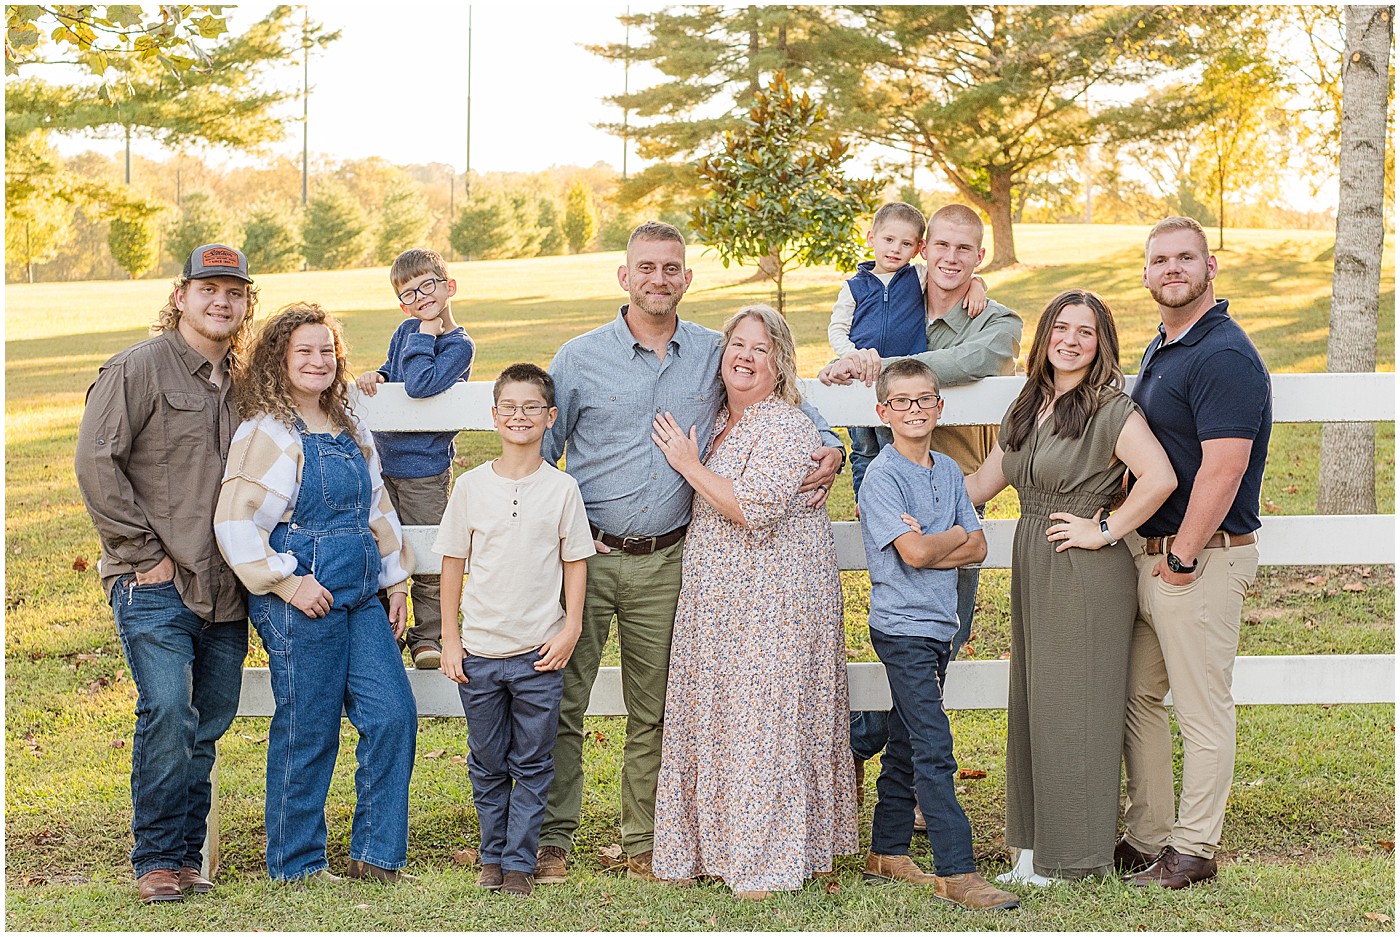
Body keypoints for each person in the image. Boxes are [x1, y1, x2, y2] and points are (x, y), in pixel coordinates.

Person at [535, 221, 844, 885]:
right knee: (564, 701)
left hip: (670, 559)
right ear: (624, 275)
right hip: (588, 555)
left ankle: (646, 838)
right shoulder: (579, 356)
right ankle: (550, 838)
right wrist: (555, 537)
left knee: (656, 708)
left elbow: (791, 398)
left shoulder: (713, 350)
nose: (658, 278)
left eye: (671, 267)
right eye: (645, 266)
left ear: (686, 277)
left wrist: (834, 447)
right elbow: (539, 452)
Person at [962, 290, 1176, 883]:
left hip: (1085, 571)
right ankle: (1033, 851)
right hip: (1035, 563)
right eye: (1063, 327)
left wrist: (1103, 528)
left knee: (1074, 708)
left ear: (1101, 343)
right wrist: (909, 489)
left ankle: (1075, 857)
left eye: (1086, 331)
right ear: (1046, 336)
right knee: (1033, 702)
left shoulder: (1111, 410)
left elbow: (1159, 477)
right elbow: (981, 484)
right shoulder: (1028, 405)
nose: (1072, 340)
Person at [649, 306, 858, 899]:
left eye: (760, 349)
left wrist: (687, 466)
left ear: (780, 363)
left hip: (774, 600)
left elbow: (754, 510)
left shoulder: (785, 426)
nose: (744, 356)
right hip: (720, 601)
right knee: (722, 721)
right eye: (737, 344)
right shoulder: (720, 420)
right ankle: (715, 846)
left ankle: (766, 861)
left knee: (764, 723)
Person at [820, 203, 1022, 809]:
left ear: (979, 256)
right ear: (925, 247)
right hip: (891, 503)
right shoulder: (896, 295)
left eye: (967, 251)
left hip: (956, 502)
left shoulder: (997, 319)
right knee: (909, 652)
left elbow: (973, 363)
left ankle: (864, 747)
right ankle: (897, 794)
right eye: (943, 247)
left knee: (941, 648)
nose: (953, 259)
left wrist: (886, 370)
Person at [75, 244, 258, 904]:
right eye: (208, 288)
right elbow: (97, 462)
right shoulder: (138, 368)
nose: (221, 300)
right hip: (152, 580)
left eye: (233, 291)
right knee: (169, 712)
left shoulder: (246, 379)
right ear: (180, 295)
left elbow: (316, 381)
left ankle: (186, 857)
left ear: (245, 302)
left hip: (227, 587)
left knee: (206, 723)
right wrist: (142, 551)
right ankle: (154, 856)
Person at [214, 303, 419, 884]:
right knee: (310, 726)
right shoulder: (267, 433)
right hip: (299, 599)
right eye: (303, 350)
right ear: (279, 359)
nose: (317, 361)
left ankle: (376, 857)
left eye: (326, 350)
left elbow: (376, 507)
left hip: (357, 596)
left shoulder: (349, 422)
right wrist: (287, 581)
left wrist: (395, 579)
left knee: (393, 715)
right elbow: (235, 522)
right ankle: (296, 862)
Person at [1120, 216, 1271, 889]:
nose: (1171, 268)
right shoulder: (1165, 343)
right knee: (1137, 696)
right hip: (1158, 558)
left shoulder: (1224, 354)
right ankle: (1148, 834)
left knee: (1202, 710)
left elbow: (1223, 468)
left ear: (1212, 267)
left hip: (1202, 559)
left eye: (1185, 257)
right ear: (1146, 272)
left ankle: (1193, 849)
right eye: (1160, 259)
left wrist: (1180, 560)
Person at [854, 357, 1018, 911]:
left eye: (925, 399)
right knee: (932, 741)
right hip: (900, 629)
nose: (915, 409)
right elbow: (917, 553)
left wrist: (938, 540)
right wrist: (947, 537)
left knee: (904, 735)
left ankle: (887, 849)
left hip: (938, 627)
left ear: (939, 406)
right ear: (883, 411)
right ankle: (957, 869)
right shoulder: (881, 477)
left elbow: (979, 548)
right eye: (902, 401)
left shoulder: (948, 471)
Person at [435, 364, 596, 898]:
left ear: (550, 418)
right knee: (487, 761)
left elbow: (576, 562)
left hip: (538, 653)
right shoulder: (471, 487)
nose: (520, 416)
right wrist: (451, 638)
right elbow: (453, 563)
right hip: (480, 651)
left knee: (532, 760)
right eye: (510, 407)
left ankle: (520, 863)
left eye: (531, 407)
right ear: (494, 416)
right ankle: (491, 854)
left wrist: (571, 626)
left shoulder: (562, 488)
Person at [355, 248, 475, 670]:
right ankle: (388, 629)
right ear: (401, 303)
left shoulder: (459, 346)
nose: (421, 296)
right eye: (410, 293)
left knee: (428, 555)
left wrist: (427, 332)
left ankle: (428, 637)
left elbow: (421, 385)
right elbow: (397, 369)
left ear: (449, 287)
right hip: (385, 463)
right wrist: (380, 377)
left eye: (429, 285)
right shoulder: (407, 330)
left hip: (425, 469)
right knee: (384, 545)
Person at [827, 201, 987, 499]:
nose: (895, 249)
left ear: (917, 249)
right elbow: (837, 329)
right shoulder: (854, 287)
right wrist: (853, 355)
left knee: (896, 445)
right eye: (888, 240)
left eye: (905, 243)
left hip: (901, 383)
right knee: (863, 448)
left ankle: (901, 496)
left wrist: (978, 283)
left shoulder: (918, 276)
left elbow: (956, 274)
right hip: (862, 378)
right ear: (870, 237)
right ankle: (866, 499)